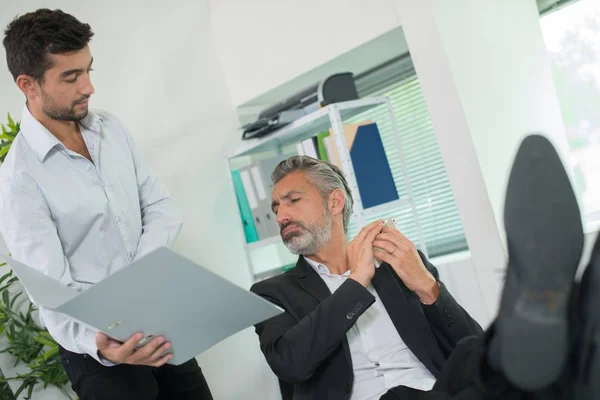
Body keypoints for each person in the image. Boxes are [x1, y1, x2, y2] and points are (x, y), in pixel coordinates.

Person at [250, 143, 598, 399]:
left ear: (335, 202)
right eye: (276, 207)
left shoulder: (397, 261)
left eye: (293, 200)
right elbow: (292, 363)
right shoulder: (271, 293)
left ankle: (558, 313)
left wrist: (428, 287)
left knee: (482, 360)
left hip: (440, 390)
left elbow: (466, 341)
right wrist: (357, 280)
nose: (281, 216)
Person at [0, 9, 212, 400]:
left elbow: (161, 208)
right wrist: (100, 342)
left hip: (157, 318)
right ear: (28, 84)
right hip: (98, 350)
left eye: (88, 70)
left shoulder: (111, 130)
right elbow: (50, 290)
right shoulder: (18, 179)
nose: (89, 87)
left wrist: (139, 280)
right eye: (71, 76)